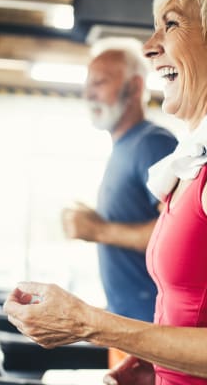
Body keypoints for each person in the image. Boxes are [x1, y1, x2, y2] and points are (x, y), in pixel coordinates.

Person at [4, 0, 207, 384]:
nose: (149, 47)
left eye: (171, 25)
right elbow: (201, 314)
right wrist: (148, 369)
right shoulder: (203, 159)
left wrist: (88, 323)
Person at [62, 38, 177, 326]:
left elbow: (179, 235)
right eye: (88, 84)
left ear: (136, 87)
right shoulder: (124, 147)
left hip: (151, 330)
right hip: (126, 324)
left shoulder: (152, 144)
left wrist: (98, 230)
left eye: (100, 82)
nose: (89, 94)